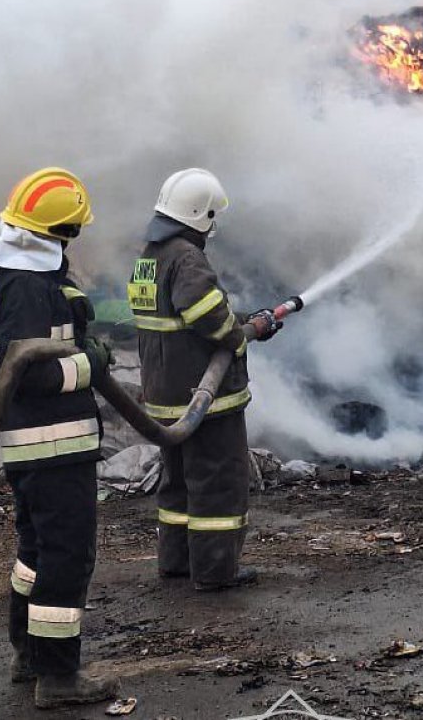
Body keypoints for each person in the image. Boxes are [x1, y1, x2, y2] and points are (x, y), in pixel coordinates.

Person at [0, 167, 120, 709]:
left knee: (35, 553)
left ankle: (28, 655)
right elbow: (32, 373)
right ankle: (58, 676)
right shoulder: (29, 291)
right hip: (53, 445)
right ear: (59, 234)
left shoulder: (10, 278)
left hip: (32, 445)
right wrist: (92, 363)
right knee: (67, 556)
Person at [127, 168, 280, 592]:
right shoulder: (186, 257)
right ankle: (215, 572)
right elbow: (205, 314)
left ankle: (176, 562)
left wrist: (245, 323)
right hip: (204, 397)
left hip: (164, 391)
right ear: (201, 214)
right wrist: (242, 332)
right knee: (217, 482)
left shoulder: (149, 255)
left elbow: (176, 315)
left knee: (177, 483)